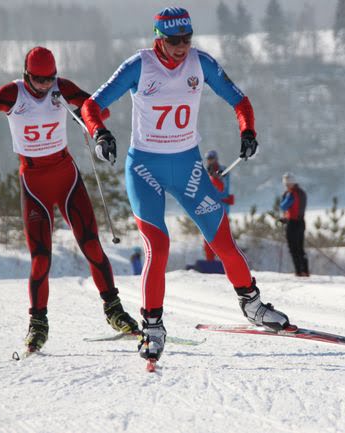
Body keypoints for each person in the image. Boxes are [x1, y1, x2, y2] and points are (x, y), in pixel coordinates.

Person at [81, 7, 290, 362]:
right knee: (158, 246)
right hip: (144, 168)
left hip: (188, 166)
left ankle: (252, 305)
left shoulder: (200, 63)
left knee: (222, 240)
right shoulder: (139, 65)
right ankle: (152, 327)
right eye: (174, 40)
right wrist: (100, 133)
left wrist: (248, 131)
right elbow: (91, 105)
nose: (181, 47)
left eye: (187, 39)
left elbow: (239, 100)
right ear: (158, 39)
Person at [0, 46, 138, 353]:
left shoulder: (62, 88)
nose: (45, 86)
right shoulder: (13, 93)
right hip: (34, 183)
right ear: (26, 75)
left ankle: (114, 311)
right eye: (39, 80)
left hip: (66, 177)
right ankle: (38, 324)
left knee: (92, 245)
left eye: (50, 79)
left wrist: (87, 115)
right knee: (41, 258)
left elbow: (98, 109)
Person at [203, 149, 234, 261]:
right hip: (208, 206)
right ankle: (210, 260)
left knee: (221, 235)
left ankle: (225, 260)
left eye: (211, 158)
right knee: (207, 234)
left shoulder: (223, 171)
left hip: (221, 206)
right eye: (208, 159)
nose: (209, 161)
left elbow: (222, 188)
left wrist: (214, 177)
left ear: (216, 159)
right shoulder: (205, 171)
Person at [280, 172, 309, 277]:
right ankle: (305, 270)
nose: (286, 186)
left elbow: (284, 206)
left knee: (293, 248)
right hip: (301, 222)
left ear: (291, 183)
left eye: (287, 184)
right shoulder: (302, 193)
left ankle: (298, 271)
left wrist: (286, 218)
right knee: (300, 248)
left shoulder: (291, 194)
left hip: (292, 224)